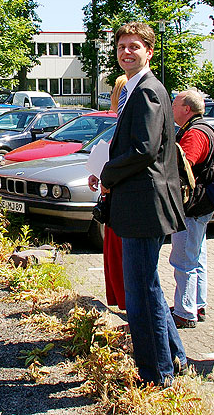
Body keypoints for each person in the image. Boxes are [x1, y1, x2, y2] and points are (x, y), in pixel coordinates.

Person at [90, 22, 186, 386]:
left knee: (140, 293)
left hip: (144, 207)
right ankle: (174, 358)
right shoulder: (136, 89)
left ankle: (156, 373)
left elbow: (143, 150)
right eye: (121, 46)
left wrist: (108, 174)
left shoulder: (146, 91)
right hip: (138, 204)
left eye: (134, 46)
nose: (126, 52)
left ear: (149, 51)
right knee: (148, 288)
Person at [169, 90, 214, 328]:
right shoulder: (205, 128)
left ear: (187, 109)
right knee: (197, 257)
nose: (171, 107)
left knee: (183, 260)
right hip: (203, 204)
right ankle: (197, 304)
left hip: (191, 207)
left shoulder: (194, 134)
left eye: (175, 103)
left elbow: (183, 169)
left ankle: (185, 312)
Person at [92, 74, 128, 311]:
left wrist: (107, 179)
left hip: (121, 201)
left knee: (120, 258)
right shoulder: (121, 121)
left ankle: (127, 304)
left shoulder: (129, 120)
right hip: (114, 198)